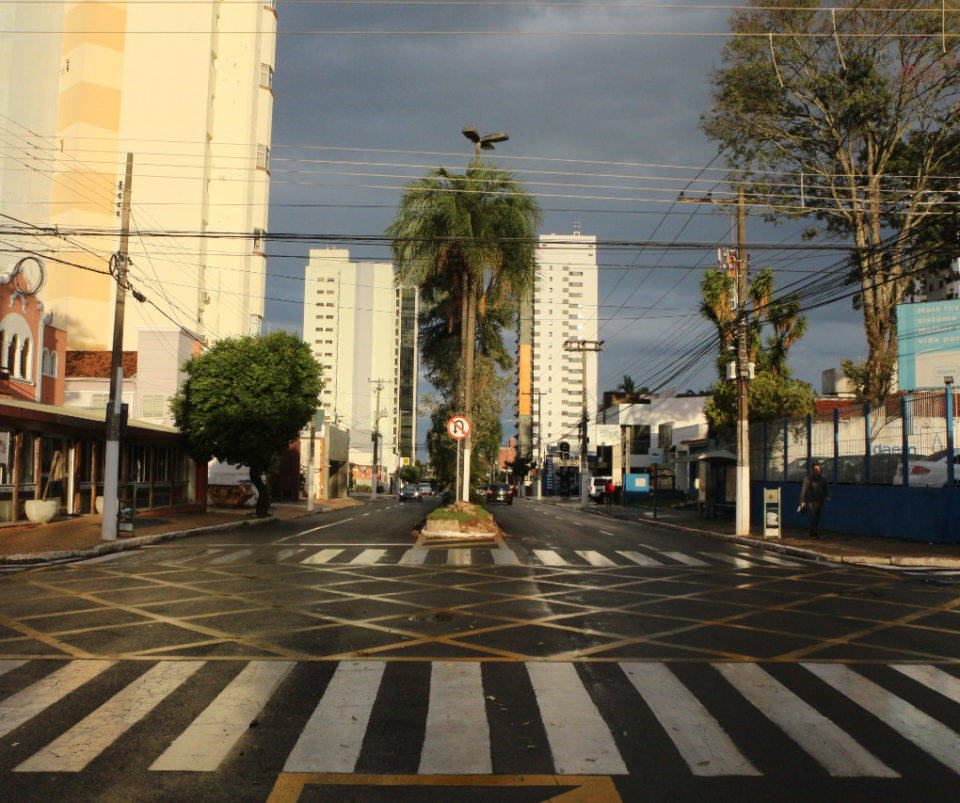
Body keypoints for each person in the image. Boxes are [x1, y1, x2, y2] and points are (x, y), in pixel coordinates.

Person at [800, 461, 831, 539]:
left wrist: (828, 495)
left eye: (818, 469)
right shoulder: (808, 479)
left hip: (819, 500)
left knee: (817, 516)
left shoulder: (823, 479)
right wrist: (802, 501)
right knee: (813, 516)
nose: (816, 470)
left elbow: (826, 488)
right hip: (811, 500)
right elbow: (804, 490)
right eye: (814, 469)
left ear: (820, 469)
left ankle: (814, 532)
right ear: (812, 470)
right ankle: (813, 533)